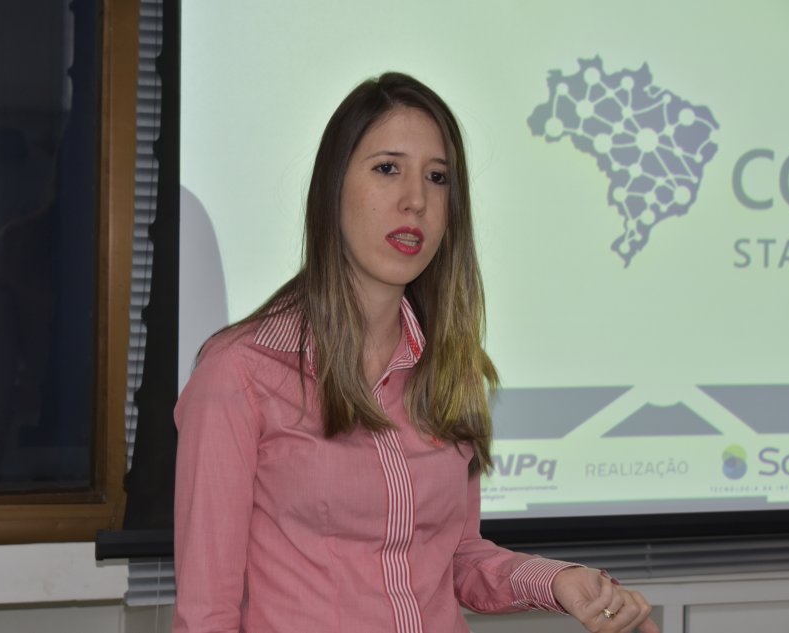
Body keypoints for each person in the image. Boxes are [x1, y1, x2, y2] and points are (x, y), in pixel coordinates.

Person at [173, 72, 659, 633]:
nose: (416, 201)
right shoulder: (239, 373)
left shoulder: (451, 370)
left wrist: (558, 582)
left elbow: (456, 558)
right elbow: (205, 616)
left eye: (437, 177)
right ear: (332, 187)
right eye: (387, 169)